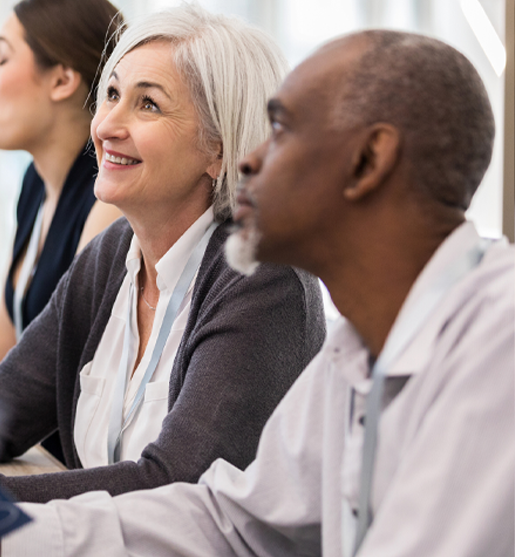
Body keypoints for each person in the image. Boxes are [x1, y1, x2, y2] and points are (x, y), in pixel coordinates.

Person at [3, 28, 512, 557]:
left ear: (367, 160)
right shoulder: (355, 354)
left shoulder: (500, 344)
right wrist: (14, 529)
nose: (250, 159)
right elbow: (238, 521)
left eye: (282, 130)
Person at [0, 5, 326, 505]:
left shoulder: (262, 277)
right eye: (111, 95)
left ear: (219, 148)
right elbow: (9, 405)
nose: (106, 124)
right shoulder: (112, 255)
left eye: (147, 105)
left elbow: (175, 484)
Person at [0, 0, 125, 361]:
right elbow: (9, 347)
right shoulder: (35, 183)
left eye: (2, 59)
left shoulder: (108, 201)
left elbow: (64, 371)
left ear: (62, 79)